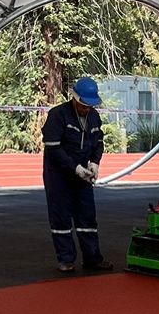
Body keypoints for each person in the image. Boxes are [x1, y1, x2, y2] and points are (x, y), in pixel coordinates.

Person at [41, 76, 112, 273]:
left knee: (87, 216)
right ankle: (66, 259)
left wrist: (94, 163)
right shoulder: (58, 115)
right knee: (61, 217)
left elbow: (98, 142)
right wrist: (75, 168)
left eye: (89, 106)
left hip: (83, 176)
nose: (86, 109)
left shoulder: (94, 117)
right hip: (59, 176)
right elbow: (54, 148)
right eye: (83, 105)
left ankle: (92, 258)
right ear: (75, 98)